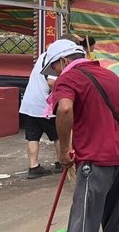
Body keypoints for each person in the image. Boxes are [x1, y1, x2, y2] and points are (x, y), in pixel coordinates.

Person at [45, 39, 119, 232]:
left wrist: (64, 151)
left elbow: (64, 109)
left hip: (94, 159)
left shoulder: (69, 78)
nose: (56, 73)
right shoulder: (111, 76)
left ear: (63, 61)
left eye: (55, 68)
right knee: (115, 208)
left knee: (83, 218)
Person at [18, 37, 78, 179]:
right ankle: (60, 162)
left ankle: (33, 167)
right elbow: (52, 82)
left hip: (30, 103)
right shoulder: (55, 60)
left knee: (33, 136)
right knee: (58, 135)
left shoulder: (43, 56)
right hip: (45, 105)